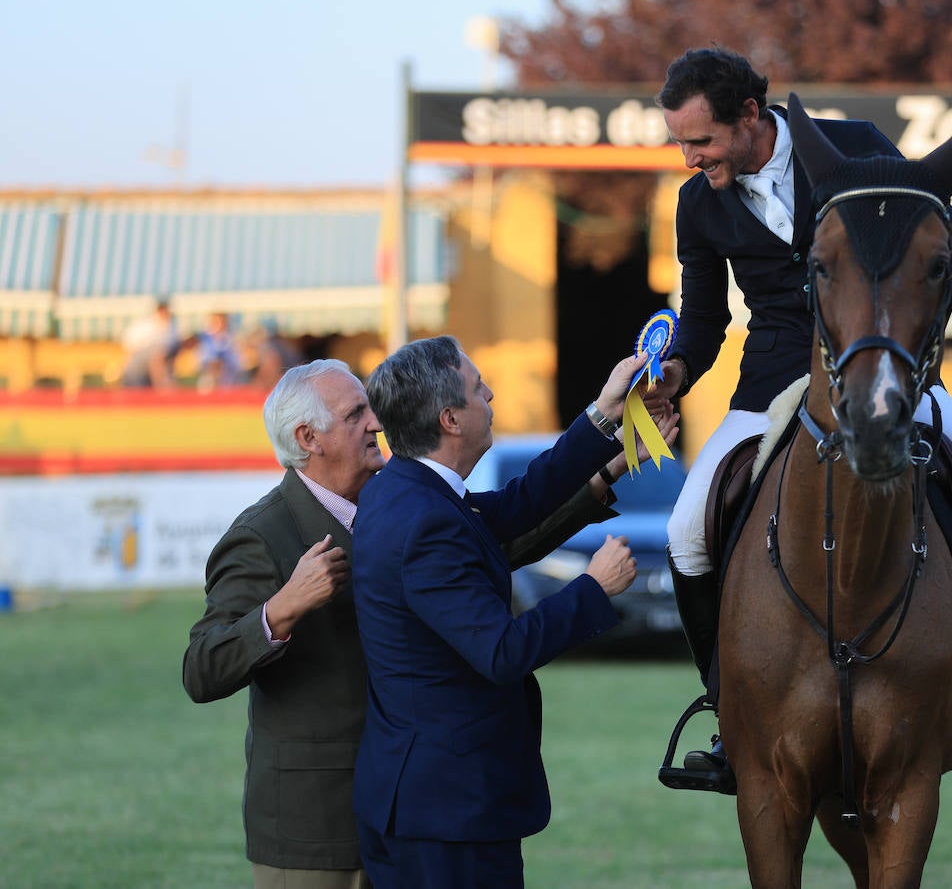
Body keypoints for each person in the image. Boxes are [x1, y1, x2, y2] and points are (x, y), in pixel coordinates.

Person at [647, 46, 952, 778]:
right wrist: (670, 372)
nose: (688, 157)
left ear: (748, 117)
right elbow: (703, 322)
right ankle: (726, 710)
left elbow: (951, 247)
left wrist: (911, 349)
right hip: (771, 385)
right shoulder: (697, 203)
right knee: (685, 530)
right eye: (680, 142)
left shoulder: (857, 148)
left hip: (884, 372)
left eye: (699, 141)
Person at [183, 358, 662, 889]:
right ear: (308, 437)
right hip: (318, 828)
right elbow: (202, 669)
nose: (376, 423)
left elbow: (501, 529)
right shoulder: (262, 533)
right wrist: (284, 607)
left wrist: (604, 455)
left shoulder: (392, 494)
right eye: (355, 414)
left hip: (400, 800)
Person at [349, 336, 651, 888]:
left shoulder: (406, 492)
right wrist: (592, 587)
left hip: (427, 803)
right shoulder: (424, 520)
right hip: (445, 815)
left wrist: (603, 418)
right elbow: (500, 651)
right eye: (476, 387)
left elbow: (519, 503)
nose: (490, 395)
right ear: (450, 419)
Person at [119, 298, 181, 388]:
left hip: (145, 375)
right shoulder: (145, 327)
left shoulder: (171, 328)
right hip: (137, 375)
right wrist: (163, 387)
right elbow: (156, 361)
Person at [197, 311, 245, 390]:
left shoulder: (231, 339)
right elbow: (204, 360)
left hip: (229, 378)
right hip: (210, 378)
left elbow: (237, 362)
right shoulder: (206, 339)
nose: (215, 325)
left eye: (218, 321)